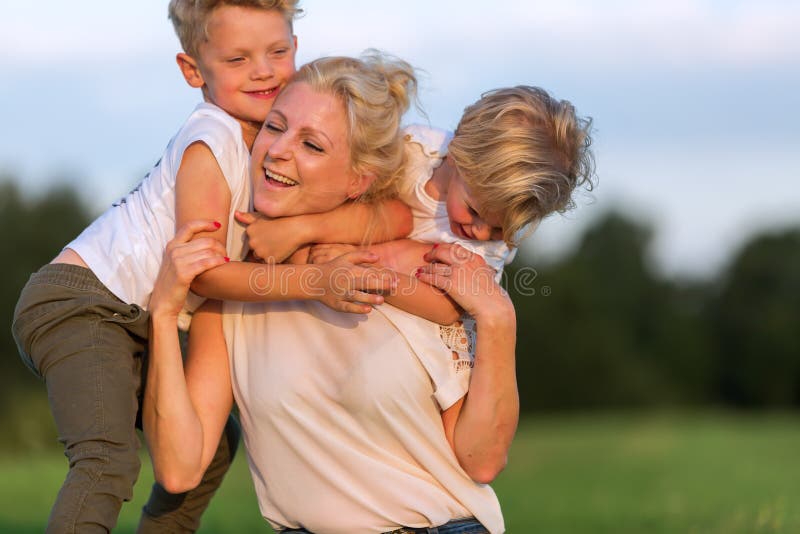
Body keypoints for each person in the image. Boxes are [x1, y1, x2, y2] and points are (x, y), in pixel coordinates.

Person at [145, 52, 592, 533]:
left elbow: (481, 461)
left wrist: (498, 318)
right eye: (273, 128)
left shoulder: (435, 276)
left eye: (313, 144)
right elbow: (178, 469)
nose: (277, 151)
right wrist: (164, 316)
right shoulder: (236, 294)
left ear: (362, 178)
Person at [10, 2, 404, 532]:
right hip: (84, 302)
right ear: (194, 71)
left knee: (213, 447)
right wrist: (314, 281)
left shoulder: (269, 140)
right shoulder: (211, 136)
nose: (263, 70)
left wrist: (309, 233)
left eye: (278, 52)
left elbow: (392, 211)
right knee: (106, 459)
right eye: (238, 59)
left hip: (132, 316)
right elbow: (205, 272)